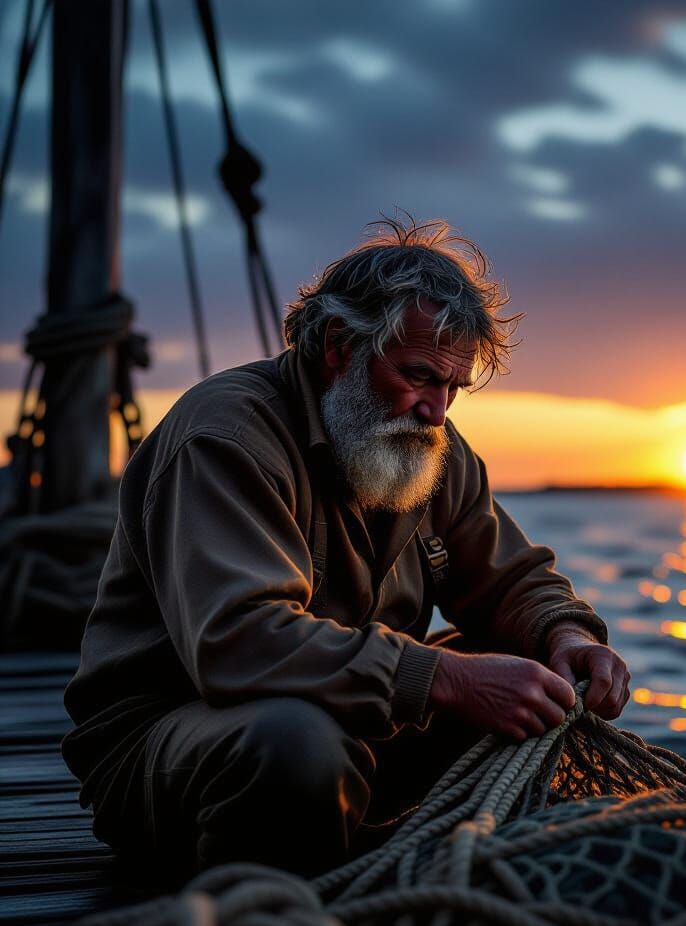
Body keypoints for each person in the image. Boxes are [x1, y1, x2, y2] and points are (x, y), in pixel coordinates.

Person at [62, 215, 630, 879]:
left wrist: (566, 636)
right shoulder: (223, 438)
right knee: (297, 746)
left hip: (351, 729)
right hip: (175, 747)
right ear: (338, 347)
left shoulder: (427, 448)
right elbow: (240, 641)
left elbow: (509, 581)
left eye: (453, 387)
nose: (437, 410)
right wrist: (441, 677)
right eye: (419, 375)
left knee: (542, 692)